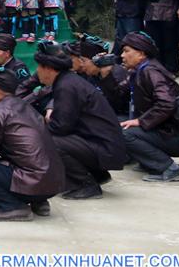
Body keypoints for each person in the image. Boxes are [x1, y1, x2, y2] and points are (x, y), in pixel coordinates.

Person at [0, 66, 66, 221]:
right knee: (15, 156)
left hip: (35, 181)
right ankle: (39, 201)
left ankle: (13, 207)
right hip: (54, 182)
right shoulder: (25, 106)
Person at [35, 42, 128, 199]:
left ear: (49, 69)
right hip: (103, 144)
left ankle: (85, 184)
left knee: (48, 140)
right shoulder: (67, 81)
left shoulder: (66, 86)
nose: (37, 71)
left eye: (39, 67)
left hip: (105, 148)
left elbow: (61, 126)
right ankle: (97, 175)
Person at [120, 32, 179, 182]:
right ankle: (150, 162)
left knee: (125, 133)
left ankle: (168, 167)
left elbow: (166, 103)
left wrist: (141, 121)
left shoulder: (151, 71)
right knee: (119, 124)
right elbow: (119, 91)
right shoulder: (139, 70)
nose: (122, 55)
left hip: (175, 136)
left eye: (127, 51)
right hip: (163, 130)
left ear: (141, 54)